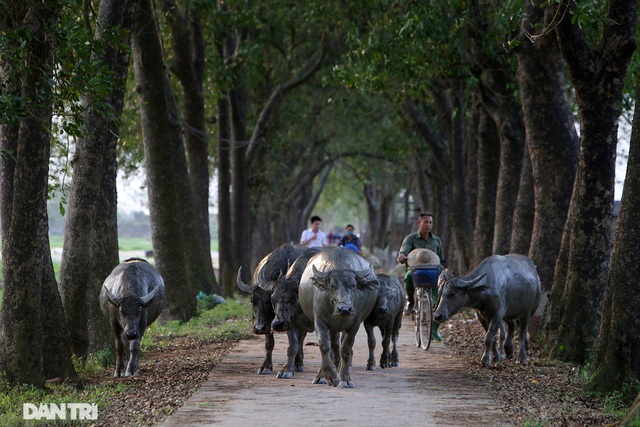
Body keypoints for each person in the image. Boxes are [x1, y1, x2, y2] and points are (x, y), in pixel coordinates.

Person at [396, 212, 445, 341]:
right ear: (419, 223)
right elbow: (404, 249)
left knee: (440, 301)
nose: (428, 225)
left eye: (430, 222)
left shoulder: (437, 240)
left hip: (434, 271)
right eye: (425, 222)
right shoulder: (411, 238)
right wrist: (402, 256)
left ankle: (434, 329)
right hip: (416, 270)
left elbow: (441, 259)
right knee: (407, 277)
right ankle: (410, 302)